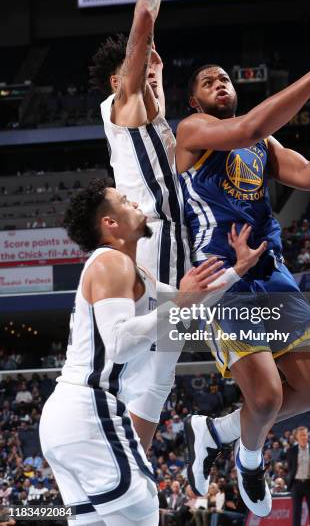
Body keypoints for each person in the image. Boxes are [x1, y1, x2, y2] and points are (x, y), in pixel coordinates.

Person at [178, 59, 310, 515]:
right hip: (222, 275)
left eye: (225, 78)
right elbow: (248, 126)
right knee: (269, 396)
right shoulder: (192, 131)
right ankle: (249, 459)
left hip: (271, 271)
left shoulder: (262, 143)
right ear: (194, 100)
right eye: (208, 81)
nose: (220, 83)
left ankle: (215, 433)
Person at [39, 178, 267, 526]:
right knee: (143, 512)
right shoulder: (110, 263)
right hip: (89, 410)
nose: (136, 205)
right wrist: (180, 300)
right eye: (125, 201)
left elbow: (187, 306)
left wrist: (238, 270)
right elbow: (118, 344)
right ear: (109, 223)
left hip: (71, 417)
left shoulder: (134, 271)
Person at [89, 0, 189, 453]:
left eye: (157, 66)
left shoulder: (150, 111)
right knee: (156, 361)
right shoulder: (123, 103)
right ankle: (118, 466)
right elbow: (142, 26)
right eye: (142, 65)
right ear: (119, 78)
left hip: (164, 237)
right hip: (153, 237)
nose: (152, 69)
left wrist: (154, 58)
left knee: (160, 370)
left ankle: (127, 467)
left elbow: (151, 52)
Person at [286, 427, 310, 526]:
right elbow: (290, 467)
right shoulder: (291, 451)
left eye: (305, 434)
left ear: (308, 435)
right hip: (296, 484)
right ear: (297, 437)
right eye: (301, 435)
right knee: (296, 513)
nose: (303, 437)